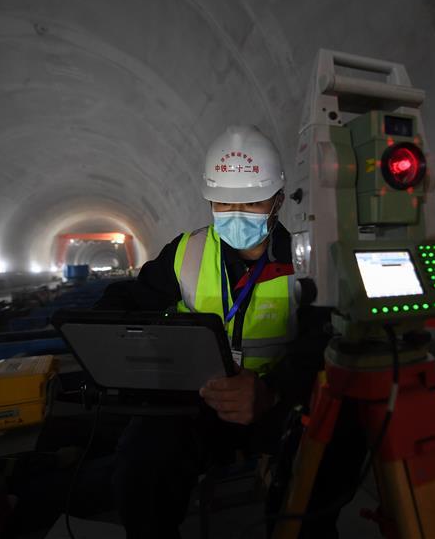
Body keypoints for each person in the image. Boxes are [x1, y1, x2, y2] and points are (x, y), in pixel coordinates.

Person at [95, 125, 367, 538]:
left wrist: (272, 389)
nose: (236, 213)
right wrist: (101, 326)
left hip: (273, 401)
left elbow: (320, 341)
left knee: (333, 449)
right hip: (199, 399)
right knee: (141, 458)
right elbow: (136, 297)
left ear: (278, 200)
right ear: (208, 198)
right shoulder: (185, 252)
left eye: (252, 201)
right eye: (223, 201)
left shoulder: (305, 262)